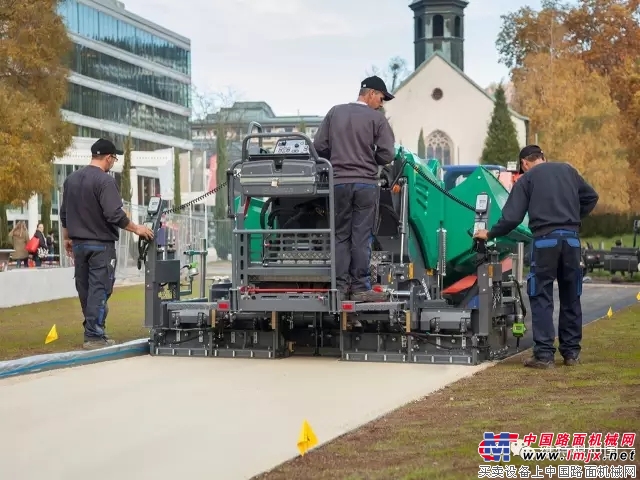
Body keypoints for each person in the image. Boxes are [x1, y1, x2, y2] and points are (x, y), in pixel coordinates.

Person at [473, 145, 599, 368]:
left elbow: (511, 218)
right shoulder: (568, 170)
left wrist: (490, 233)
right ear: (543, 157)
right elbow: (591, 197)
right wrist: (571, 216)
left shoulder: (526, 180)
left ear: (524, 164)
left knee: (541, 295)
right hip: (571, 240)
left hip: (546, 240)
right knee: (571, 294)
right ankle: (571, 354)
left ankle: (544, 355)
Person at [60, 138, 154, 350]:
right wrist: (137, 228)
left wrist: (67, 238)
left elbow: (64, 214)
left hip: (79, 244)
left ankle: (93, 330)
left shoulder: (71, 179)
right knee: (99, 289)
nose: (114, 162)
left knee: (84, 288)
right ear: (109, 158)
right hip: (101, 245)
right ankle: (94, 335)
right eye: (114, 158)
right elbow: (114, 214)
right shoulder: (105, 181)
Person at [313, 76, 396, 302]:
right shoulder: (376, 119)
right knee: (361, 236)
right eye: (380, 97)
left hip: (338, 183)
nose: (381, 103)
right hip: (366, 185)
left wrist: (337, 160)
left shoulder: (335, 113)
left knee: (340, 235)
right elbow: (388, 154)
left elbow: (319, 147)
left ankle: (339, 289)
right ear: (370, 94)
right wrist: (372, 158)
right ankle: (360, 287)